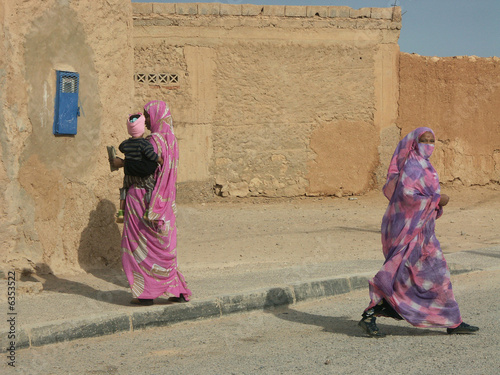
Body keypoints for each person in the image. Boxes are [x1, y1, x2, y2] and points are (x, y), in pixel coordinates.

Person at [358, 127, 479, 337]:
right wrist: (437, 200)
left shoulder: (427, 167)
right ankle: (371, 315)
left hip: (425, 234)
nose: (429, 144)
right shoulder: (412, 166)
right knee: (400, 277)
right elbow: (407, 196)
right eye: (425, 140)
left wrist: (435, 203)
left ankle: (452, 321)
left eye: (432, 140)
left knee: (437, 276)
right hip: (409, 234)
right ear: (415, 143)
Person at [111, 100, 192, 306]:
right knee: (163, 246)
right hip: (166, 202)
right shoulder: (172, 140)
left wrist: (122, 162)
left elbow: (144, 168)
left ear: (156, 116)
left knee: (139, 245)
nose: (146, 121)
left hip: (144, 198)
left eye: (147, 116)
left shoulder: (153, 141)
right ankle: (177, 290)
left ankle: (146, 293)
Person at [115, 113, 163, 223]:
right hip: (142, 178)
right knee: (151, 188)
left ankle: (121, 211)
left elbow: (121, 148)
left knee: (124, 189)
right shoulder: (145, 144)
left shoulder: (126, 144)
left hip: (129, 176)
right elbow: (151, 156)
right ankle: (149, 212)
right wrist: (159, 160)